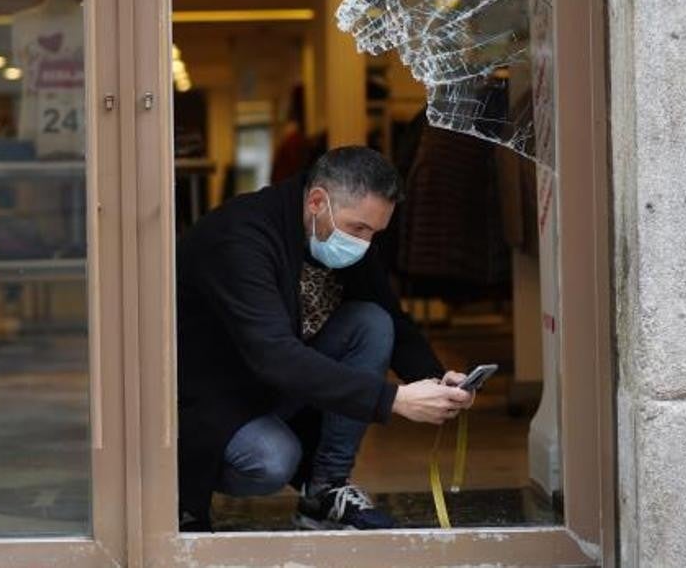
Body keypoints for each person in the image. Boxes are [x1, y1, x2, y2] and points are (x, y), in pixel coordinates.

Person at [177, 146, 475, 531]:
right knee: (272, 459)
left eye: (374, 233)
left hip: (271, 387)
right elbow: (275, 356)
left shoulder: (339, 231)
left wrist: (435, 379)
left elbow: (393, 320)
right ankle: (182, 493)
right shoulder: (241, 237)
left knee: (371, 321)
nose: (365, 243)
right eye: (359, 229)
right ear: (317, 201)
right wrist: (393, 400)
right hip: (208, 400)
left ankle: (325, 491)